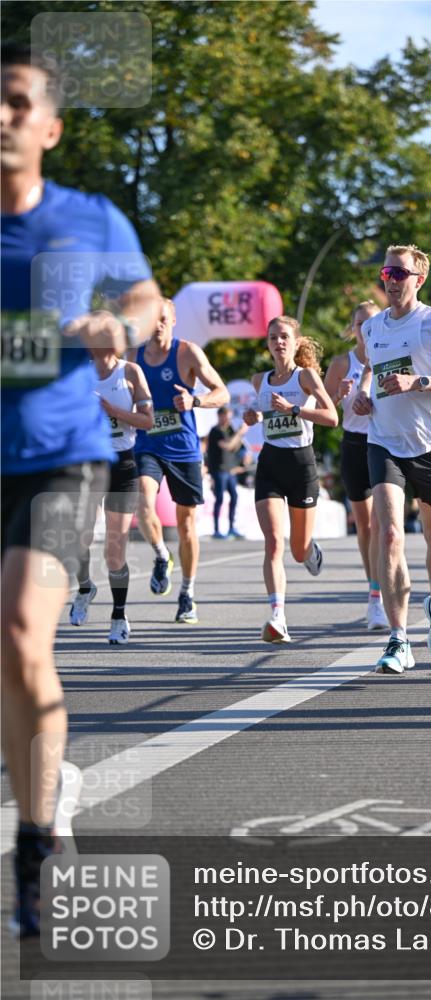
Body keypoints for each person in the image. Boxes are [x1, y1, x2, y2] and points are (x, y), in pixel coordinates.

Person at [1, 45, 161, 937]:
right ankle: (44, 773)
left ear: (49, 127)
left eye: (17, 103)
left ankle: (33, 841)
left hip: (62, 453)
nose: (1, 117)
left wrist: (117, 325)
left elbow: (144, 299)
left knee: (23, 628)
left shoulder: (87, 217)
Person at [352, 244, 431, 674]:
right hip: (384, 442)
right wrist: (363, 396)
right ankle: (398, 638)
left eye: (400, 273)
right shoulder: (372, 328)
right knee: (388, 536)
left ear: (418, 279)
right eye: (387, 271)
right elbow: (368, 372)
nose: (391, 279)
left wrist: (418, 381)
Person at [133, 298, 229, 624]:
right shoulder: (134, 356)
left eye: (163, 319)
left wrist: (195, 399)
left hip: (184, 448)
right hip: (147, 444)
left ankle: (187, 593)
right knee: (143, 501)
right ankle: (162, 555)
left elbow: (222, 392)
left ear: (173, 320)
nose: (157, 324)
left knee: (187, 525)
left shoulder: (186, 352)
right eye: (152, 319)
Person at [243, 316, 338, 643]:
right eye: (273, 338)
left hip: (301, 465)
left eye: (284, 337)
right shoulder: (260, 380)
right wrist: (252, 415)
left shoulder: (306, 377)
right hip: (270, 463)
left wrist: (294, 410)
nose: (278, 342)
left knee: (297, 550)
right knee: (273, 543)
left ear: (296, 342)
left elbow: (331, 417)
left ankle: (310, 551)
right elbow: (258, 414)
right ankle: (277, 616)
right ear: (268, 343)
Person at [69, 347, 153, 643]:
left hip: (123, 464)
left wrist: (112, 411)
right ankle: (84, 588)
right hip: (88, 464)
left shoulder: (130, 372)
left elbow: (148, 421)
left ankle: (118, 615)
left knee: (114, 550)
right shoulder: (79, 372)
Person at [324, 300, 388, 630]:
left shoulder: (390, 356)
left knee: (382, 525)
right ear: (354, 328)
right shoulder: (341, 362)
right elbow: (321, 411)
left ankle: (384, 587)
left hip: (385, 442)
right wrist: (339, 393)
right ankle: (374, 592)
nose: (366, 329)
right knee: (364, 525)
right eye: (360, 323)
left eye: (372, 322)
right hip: (353, 444)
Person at [206, 405, 246, 539]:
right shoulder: (215, 431)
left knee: (234, 497)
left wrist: (240, 435)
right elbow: (227, 445)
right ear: (220, 416)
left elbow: (234, 447)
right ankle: (216, 529)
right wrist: (239, 433)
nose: (227, 421)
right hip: (219, 470)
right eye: (226, 417)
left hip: (230, 470)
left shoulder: (229, 431)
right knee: (220, 498)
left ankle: (231, 528)